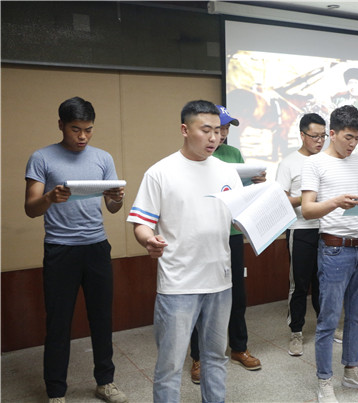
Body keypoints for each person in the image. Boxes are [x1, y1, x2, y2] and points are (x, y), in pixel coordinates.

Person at [127, 100, 242, 402]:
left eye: (218, 131)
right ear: (184, 130)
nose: (214, 138)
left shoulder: (228, 172)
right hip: (178, 285)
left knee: (215, 358)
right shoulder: (160, 172)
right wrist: (148, 239)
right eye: (206, 130)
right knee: (170, 366)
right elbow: (141, 222)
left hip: (220, 281)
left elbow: (238, 218)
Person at [25, 97, 127, 403]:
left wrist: (117, 197)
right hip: (60, 249)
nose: (83, 136)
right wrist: (49, 197)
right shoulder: (41, 158)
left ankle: (105, 382)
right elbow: (30, 209)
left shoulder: (103, 158)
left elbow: (112, 207)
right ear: (61, 125)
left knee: (102, 318)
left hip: (96, 247)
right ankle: (56, 391)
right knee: (58, 323)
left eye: (88, 129)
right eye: (75, 129)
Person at [301, 105, 358, 403]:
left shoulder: (357, 161)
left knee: (357, 316)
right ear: (332, 133)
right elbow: (308, 209)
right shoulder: (315, 163)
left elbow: (356, 197)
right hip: (334, 250)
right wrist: (335, 202)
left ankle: (351, 371)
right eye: (348, 137)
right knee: (329, 320)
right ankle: (324, 380)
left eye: (357, 138)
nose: (353, 143)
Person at [188, 105, 264, 384]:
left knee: (237, 293)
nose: (222, 134)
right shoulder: (197, 155)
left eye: (226, 129)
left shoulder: (233, 154)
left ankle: (239, 348)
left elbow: (241, 194)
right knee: (202, 294)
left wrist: (256, 184)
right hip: (205, 233)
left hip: (232, 233)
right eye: (218, 128)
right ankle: (198, 357)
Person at [275, 113, 326, 356]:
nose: (320, 141)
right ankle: (296, 331)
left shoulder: (327, 161)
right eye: (315, 136)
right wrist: (307, 197)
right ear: (302, 135)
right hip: (301, 229)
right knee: (300, 284)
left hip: (326, 229)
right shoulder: (289, 163)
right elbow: (280, 200)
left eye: (323, 136)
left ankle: (326, 327)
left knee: (324, 282)